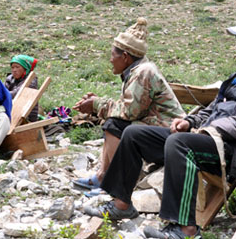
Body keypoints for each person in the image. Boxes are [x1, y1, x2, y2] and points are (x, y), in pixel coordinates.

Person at [86, 15, 236, 239]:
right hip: (212, 139)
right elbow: (213, 108)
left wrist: (208, 130)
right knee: (134, 134)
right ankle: (121, 204)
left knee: (180, 143)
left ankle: (186, 230)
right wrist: (190, 122)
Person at [72, 18, 185, 193]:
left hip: (170, 133)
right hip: (157, 127)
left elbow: (130, 112)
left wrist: (96, 104)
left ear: (125, 57)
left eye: (113, 55)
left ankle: (118, 184)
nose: (110, 60)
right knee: (112, 122)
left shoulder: (143, 72)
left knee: (114, 125)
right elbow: (129, 108)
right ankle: (103, 176)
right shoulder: (137, 70)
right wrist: (98, 102)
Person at [4, 54, 39, 121]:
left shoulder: (31, 80)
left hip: (26, 115)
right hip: (12, 110)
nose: (14, 70)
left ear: (25, 68)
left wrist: (2, 94)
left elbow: (18, 93)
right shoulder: (10, 78)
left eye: (17, 67)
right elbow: (4, 89)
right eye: (12, 67)